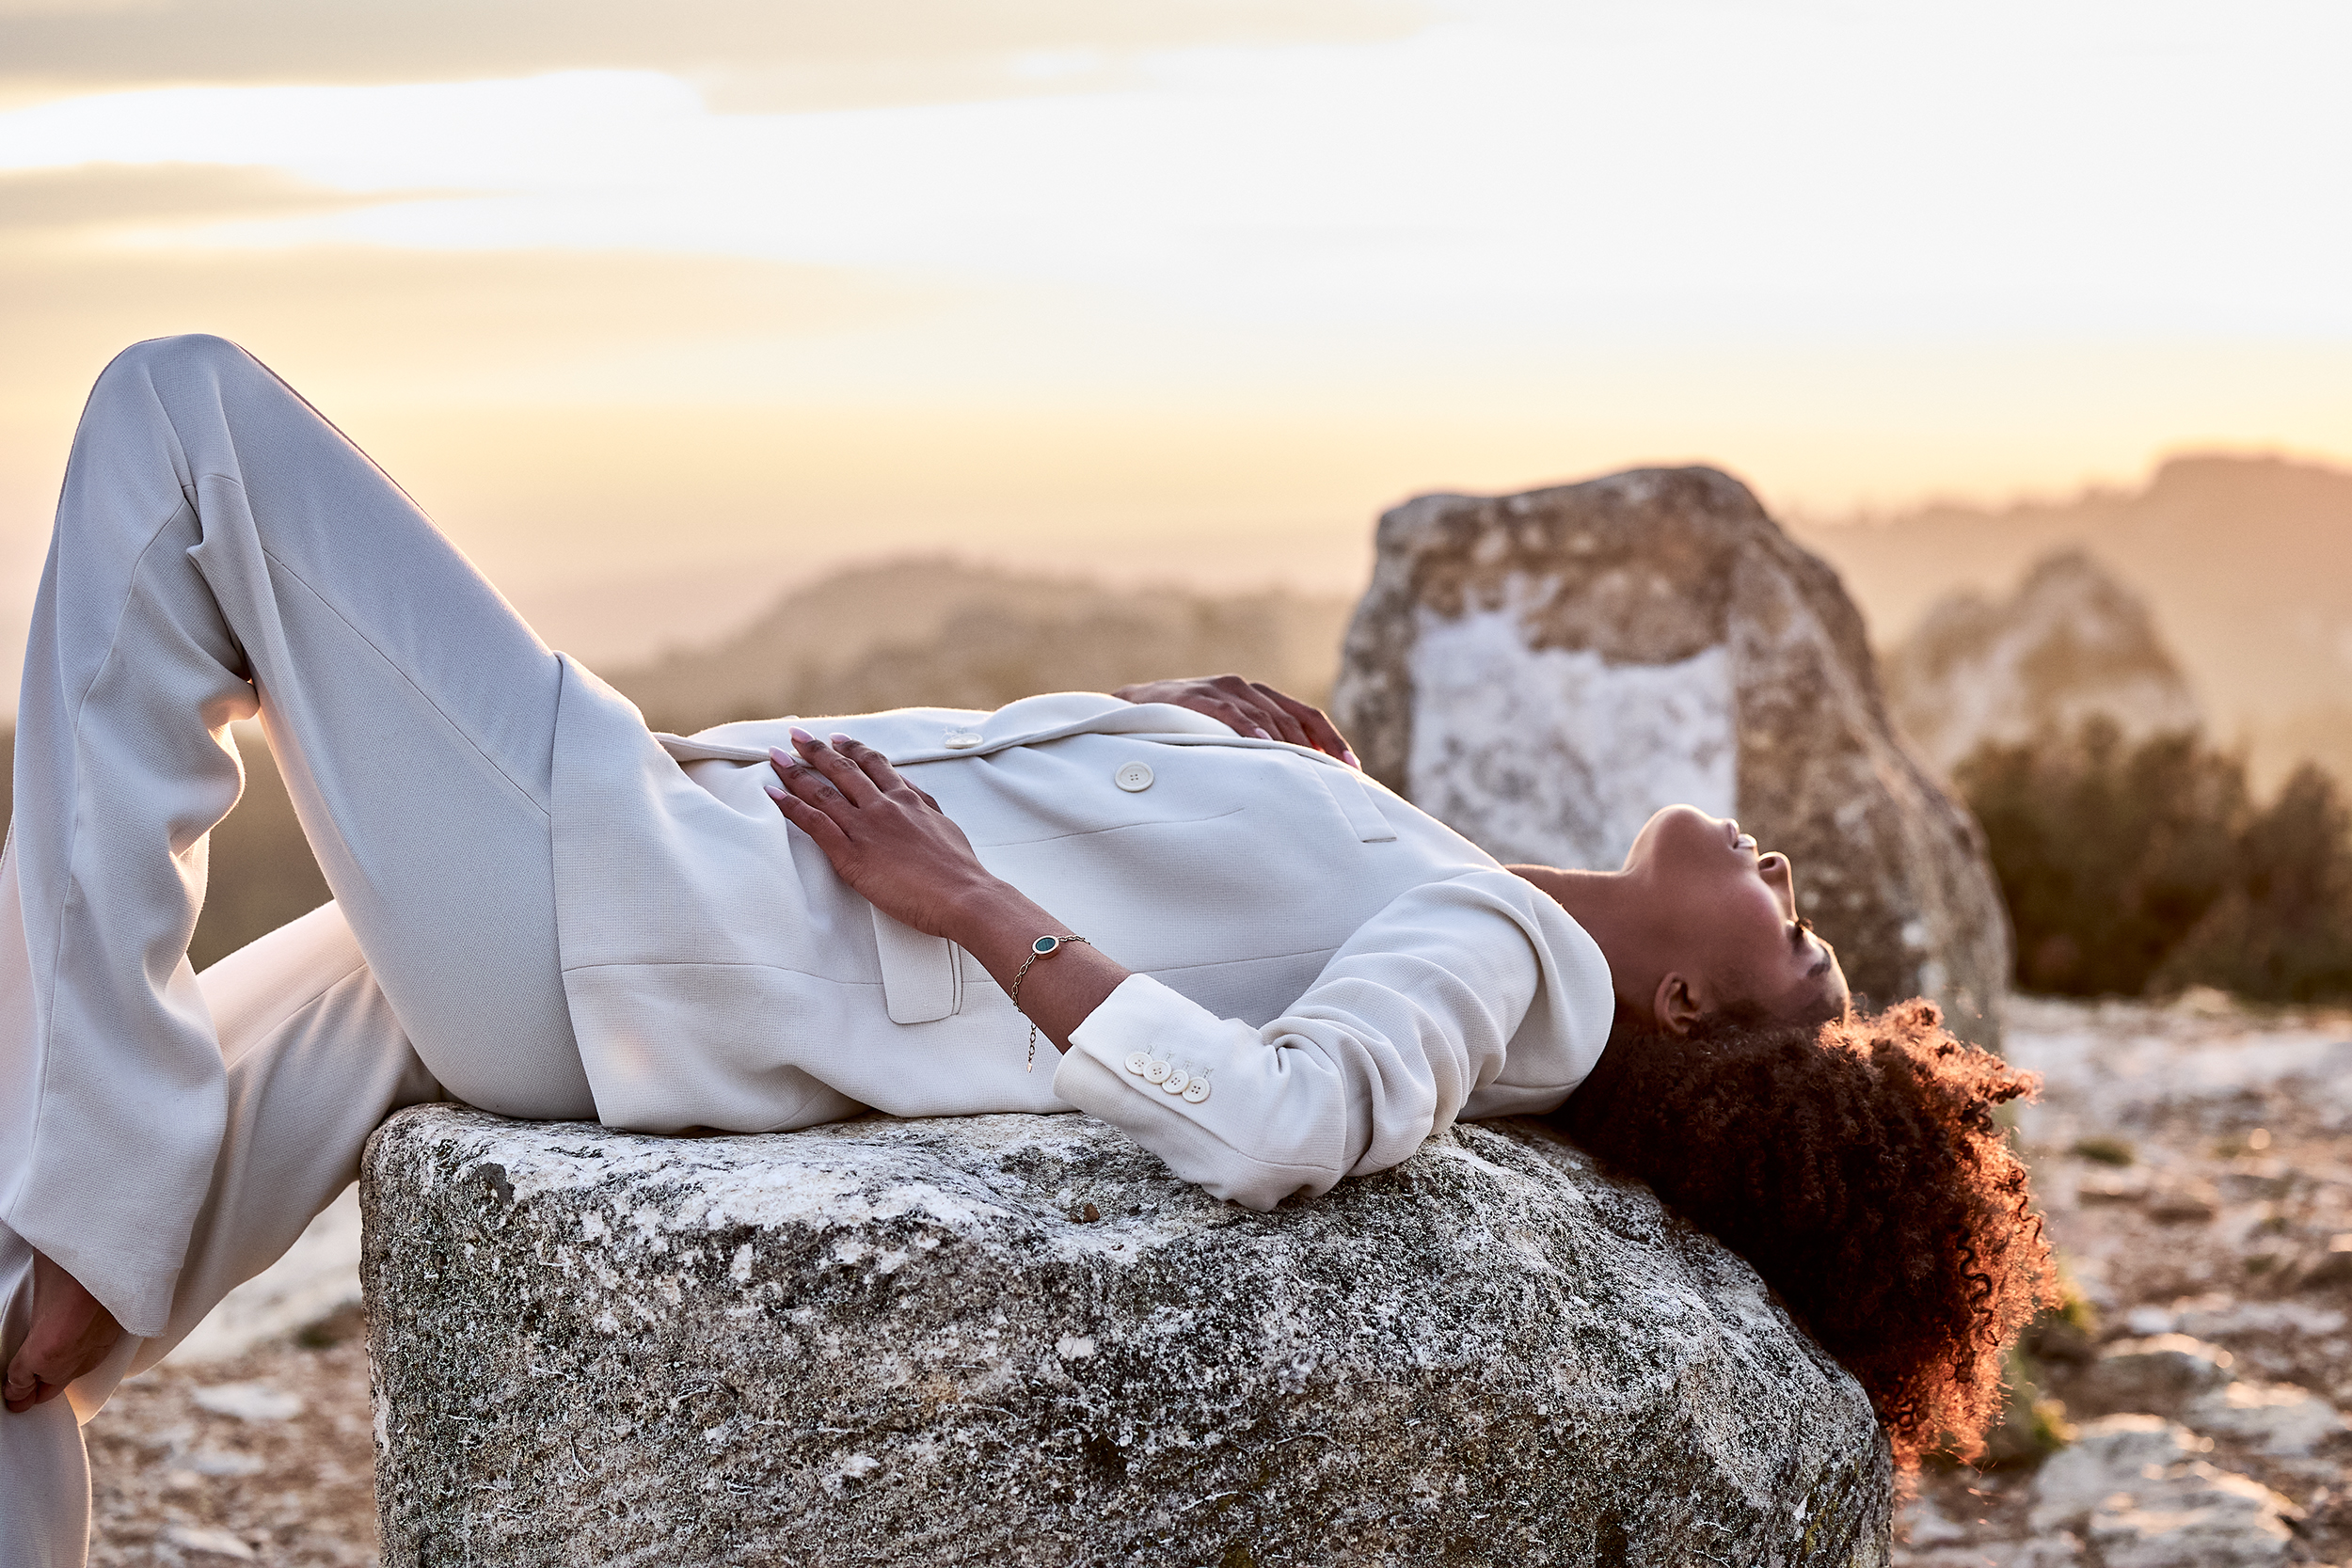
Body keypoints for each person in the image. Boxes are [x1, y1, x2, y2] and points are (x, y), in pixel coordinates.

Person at [0, 336, 2044, 1563]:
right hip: (630, 931)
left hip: (622, 902)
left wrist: (975, 907)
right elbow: (1232, 924)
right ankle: (66, 1249)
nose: (1794, 890)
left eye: (1804, 963)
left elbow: (1274, 1117)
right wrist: (1176, 730)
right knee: (17, 1308)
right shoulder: (1457, 885)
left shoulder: (1503, 956)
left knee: (185, 425)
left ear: (1679, 1007)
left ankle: (100, 1193)